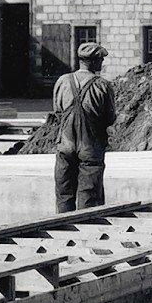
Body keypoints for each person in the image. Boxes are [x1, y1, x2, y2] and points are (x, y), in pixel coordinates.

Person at [52, 42, 117, 213]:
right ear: (94, 62)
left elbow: (57, 111)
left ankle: (63, 233)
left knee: (64, 195)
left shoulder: (62, 81)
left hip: (65, 145)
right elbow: (109, 117)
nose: (102, 63)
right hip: (91, 147)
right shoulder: (102, 85)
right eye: (101, 60)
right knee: (90, 198)